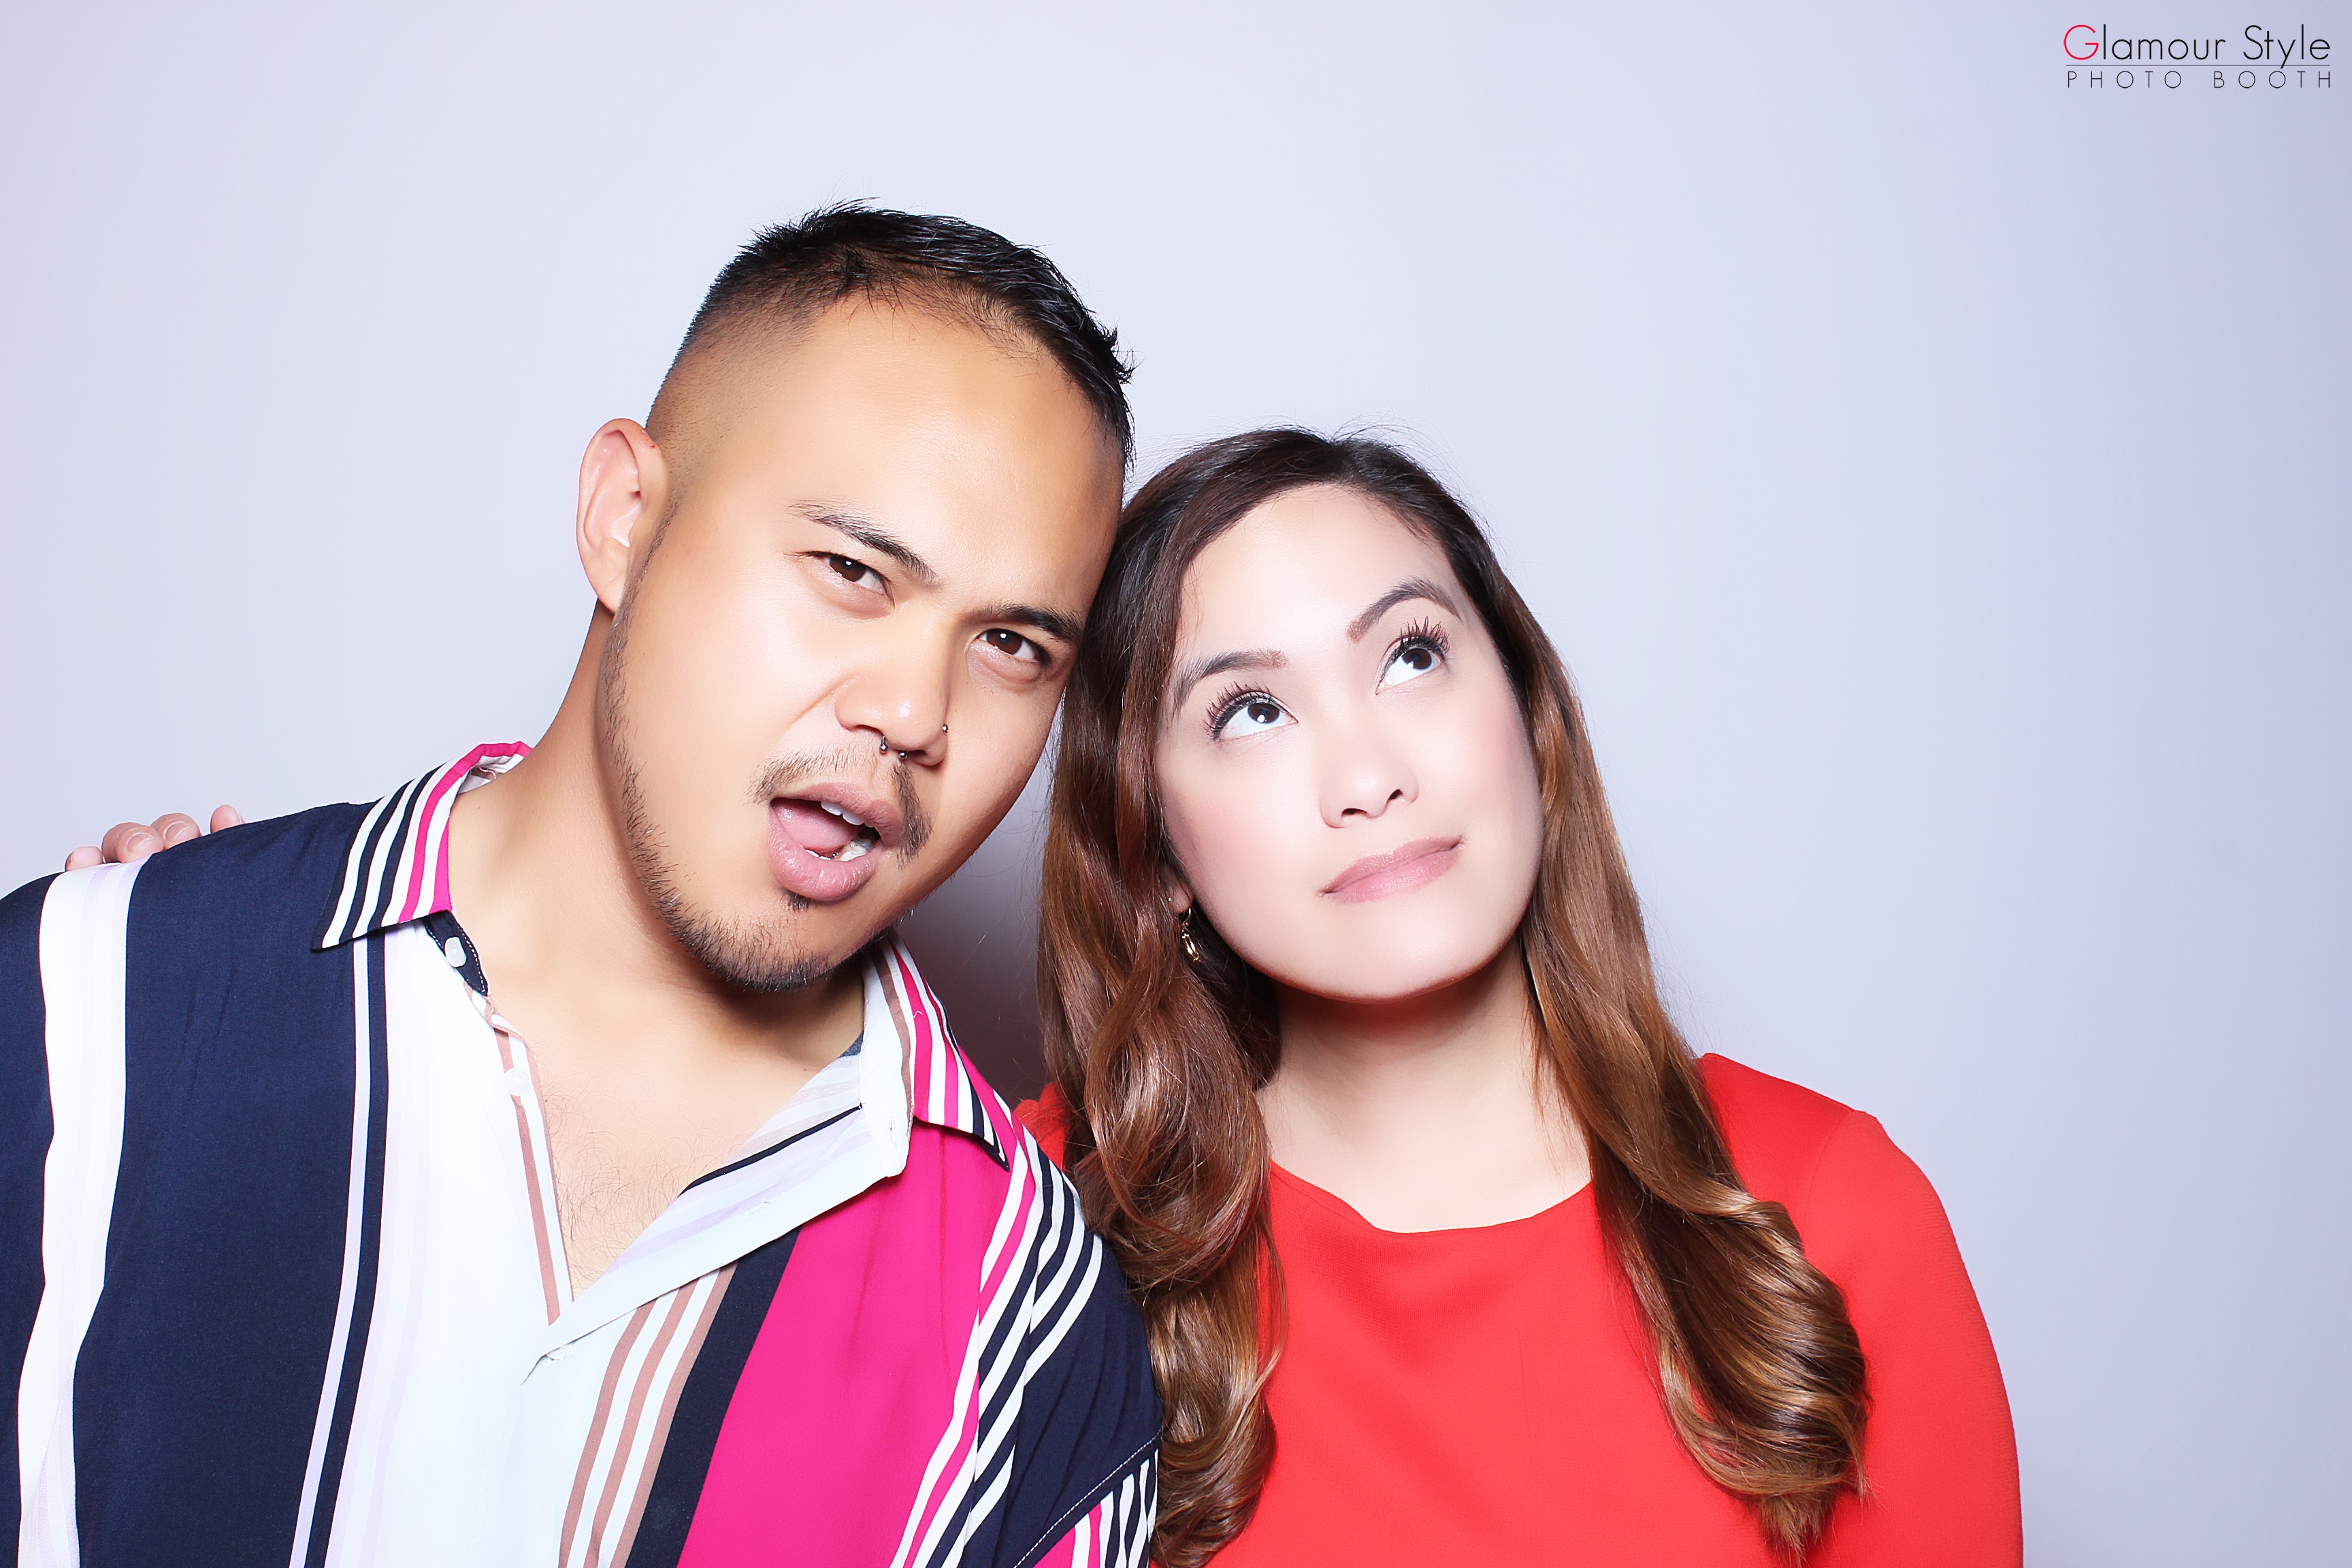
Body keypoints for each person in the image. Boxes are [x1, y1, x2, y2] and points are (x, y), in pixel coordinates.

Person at [5, 208, 1160, 1568]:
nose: (915, 712)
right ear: (624, 519)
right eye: (853, 572)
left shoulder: (1034, 1334)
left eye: (1013, 645)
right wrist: (151, 963)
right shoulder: (91, 1010)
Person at [1022, 429, 2022, 1566]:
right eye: (1251, 711)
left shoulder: (1827, 1212)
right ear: (1154, 849)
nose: (1368, 779)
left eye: (1410, 656)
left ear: (1528, 716)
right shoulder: (1028, 1225)